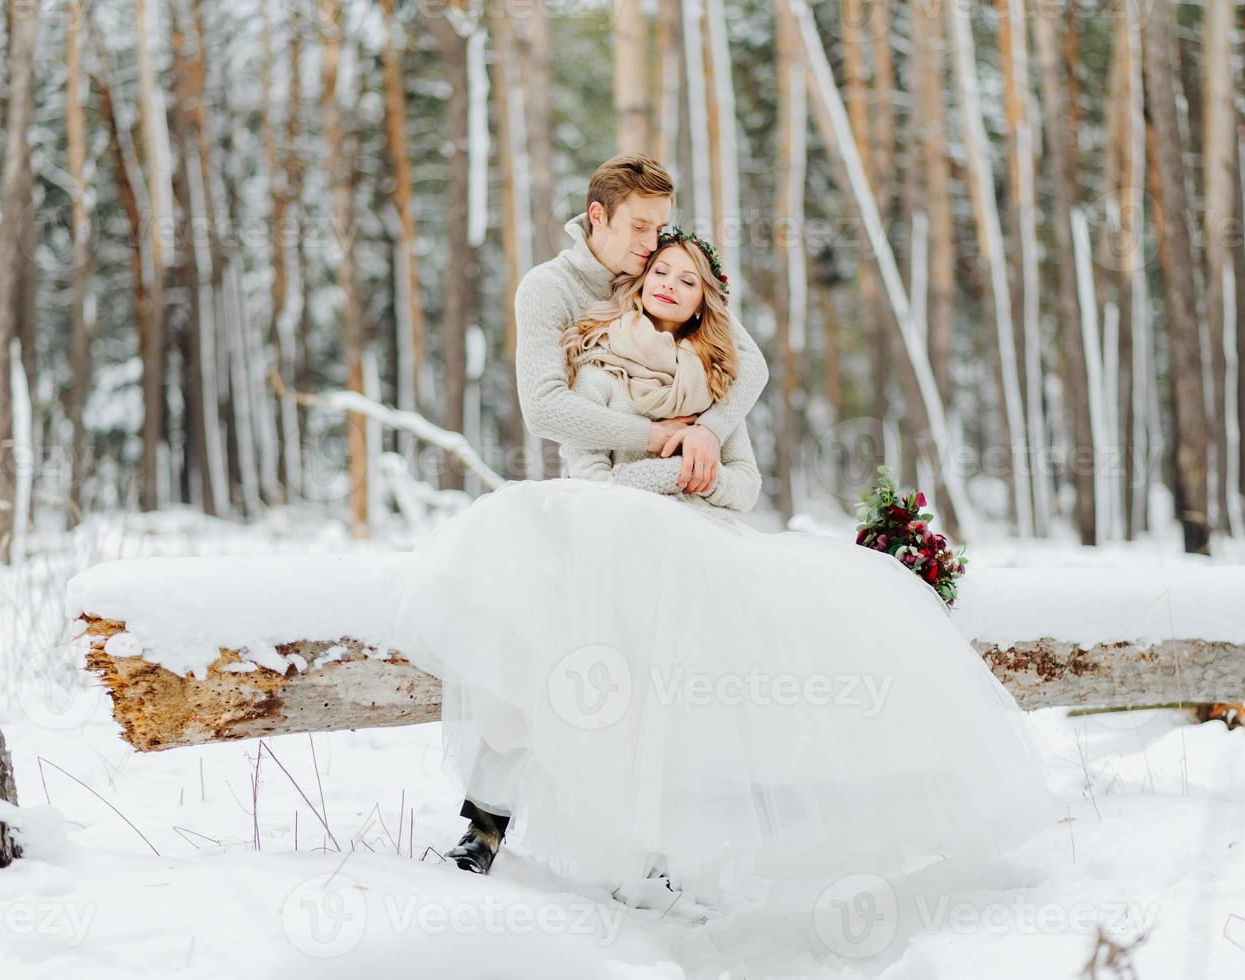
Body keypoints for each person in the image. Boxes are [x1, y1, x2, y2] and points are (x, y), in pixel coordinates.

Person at [411, 225, 1059, 913]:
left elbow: (743, 485)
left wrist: (705, 458)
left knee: (684, 694)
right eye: (661, 269)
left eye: (688, 281)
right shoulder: (595, 365)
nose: (670, 284)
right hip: (607, 549)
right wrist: (676, 462)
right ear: (640, 279)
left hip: (702, 548)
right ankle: (484, 830)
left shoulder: (716, 385)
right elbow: (590, 482)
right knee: (558, 668)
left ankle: (661, 858)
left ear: (702, 303)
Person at [441, 153, 770, 875]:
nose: (656, 246)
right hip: (595, 502)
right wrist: (663, 441)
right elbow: (545, 407)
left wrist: (709, 433)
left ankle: (662, 843)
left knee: (662, 677)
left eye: (662, 227)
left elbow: (749, 364)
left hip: (675, 519)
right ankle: (487, 822)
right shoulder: (550, 289)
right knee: (539, 642)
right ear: (598, 217)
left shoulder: (664, 278)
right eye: (640, 228)